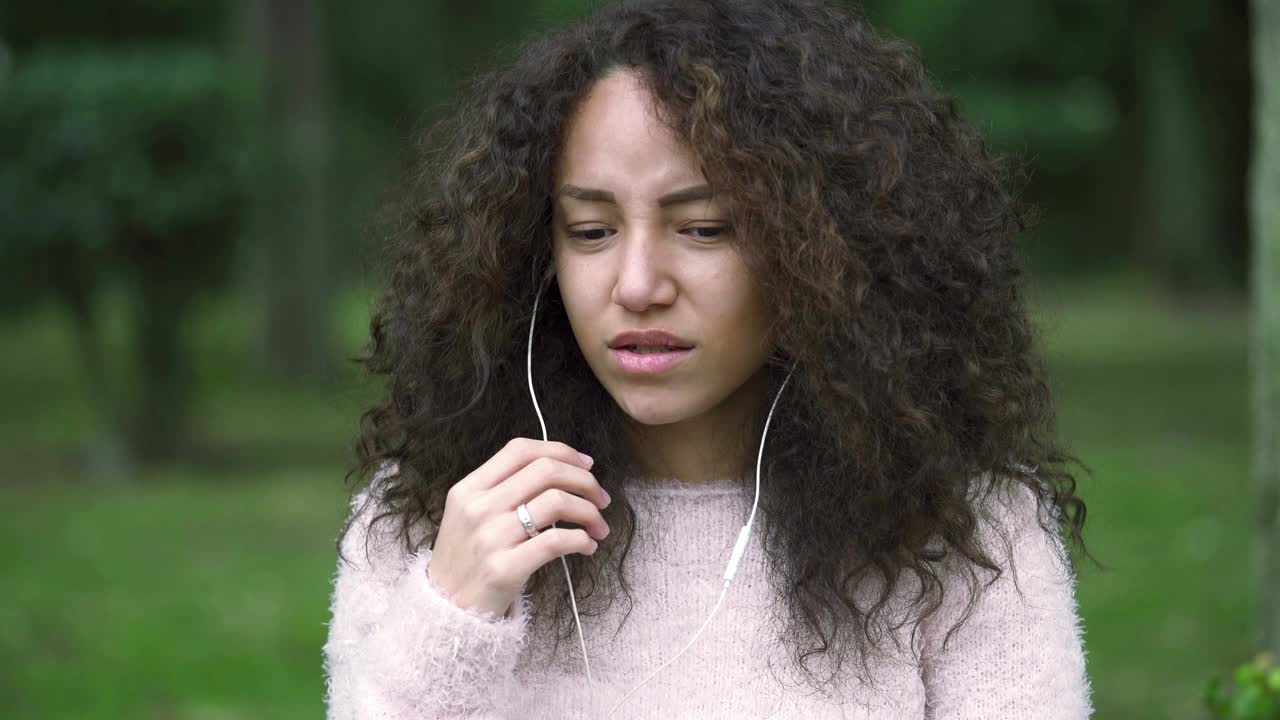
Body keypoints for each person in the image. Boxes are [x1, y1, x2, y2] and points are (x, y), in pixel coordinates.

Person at [322, 0, 1097, 718]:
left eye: (705, 229)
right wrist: (453, 613)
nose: (637, 285)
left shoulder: (967, 533)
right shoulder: (437, 519)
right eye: (591, 231)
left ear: (822, 252)